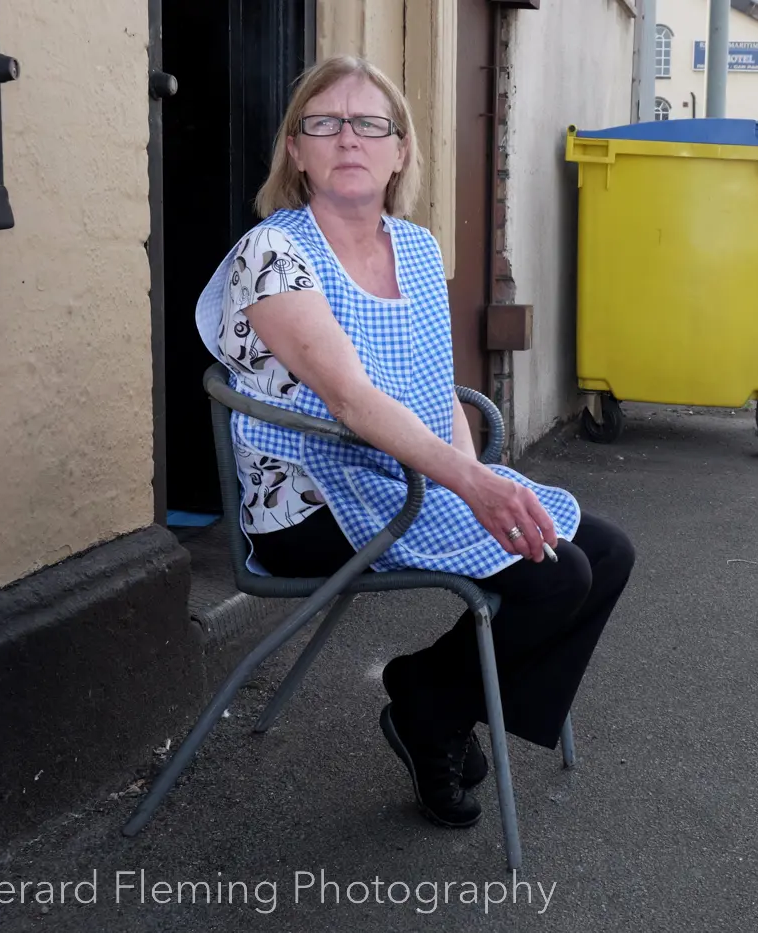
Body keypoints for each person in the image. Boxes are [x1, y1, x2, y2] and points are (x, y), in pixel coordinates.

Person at [194, 56, 635, 830]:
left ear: (401, 150)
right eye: (324, 123)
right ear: (296, 150)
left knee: (608, 551)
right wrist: (472, 485)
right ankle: (436, 708)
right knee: (557, 575)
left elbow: (436, 389)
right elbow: (351, 399)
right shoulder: (274, 254)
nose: (348, 138)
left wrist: (478, 473)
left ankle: (434, 698)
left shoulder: (420, 250)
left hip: (407, 481)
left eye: (371, 124)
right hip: (312, 499)